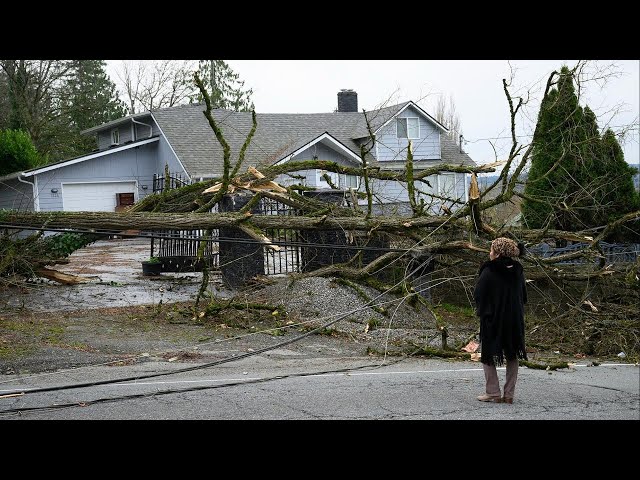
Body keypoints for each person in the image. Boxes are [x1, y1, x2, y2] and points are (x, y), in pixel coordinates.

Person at [473, 237, 527, 404]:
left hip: (493, 319)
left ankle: (493, 392)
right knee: (512, 354)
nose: (489, 253)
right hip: (514, 319)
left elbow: (479, 294)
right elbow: (523, 296)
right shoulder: (518, 270)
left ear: (496, 253)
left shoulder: (489, 270)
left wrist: (484, 311)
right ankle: (509, 394)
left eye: (491, 250)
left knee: (488, 355)